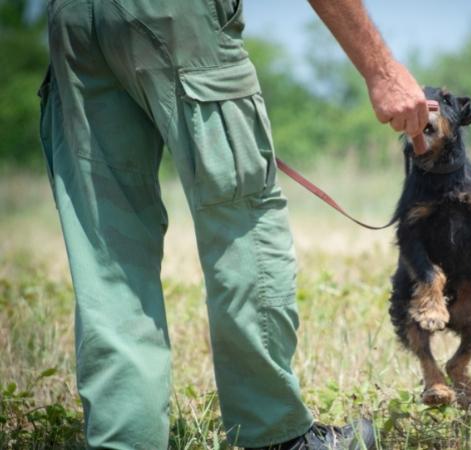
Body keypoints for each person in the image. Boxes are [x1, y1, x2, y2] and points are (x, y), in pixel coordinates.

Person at [38, 0, 427, 449]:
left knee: (107, 254)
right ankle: (273, 433)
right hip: (174, 15)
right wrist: (380, 68)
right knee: (241, 223)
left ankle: (123, 441)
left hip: (70, 21)